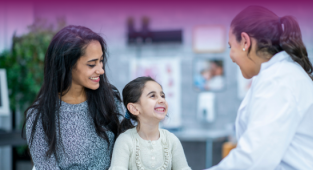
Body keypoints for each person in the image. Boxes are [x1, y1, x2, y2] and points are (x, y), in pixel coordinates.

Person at [207, 6, 313, 170]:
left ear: (245, 42)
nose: (231, 56)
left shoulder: (279, 80)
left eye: (230, 47)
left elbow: (255, 159)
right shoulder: (278, 75)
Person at [23, 25, 123, 169]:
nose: (101, 70)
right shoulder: (39, 115)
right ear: (67, 65)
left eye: (101, 61)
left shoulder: (110, 99)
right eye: (92, 64)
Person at [109, 77, 191, 170]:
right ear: (134, 108)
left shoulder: (172, 140)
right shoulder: (125, 141)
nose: (162, 100)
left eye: (162, 96)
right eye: (152, 96)